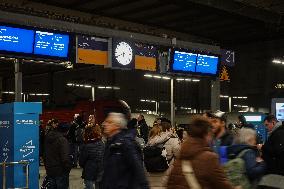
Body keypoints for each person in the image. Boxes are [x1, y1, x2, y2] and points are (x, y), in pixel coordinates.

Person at [167, 115, 234, 189]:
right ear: (206, 134)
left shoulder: (181, 156)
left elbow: (170, 184)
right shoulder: (209, 158)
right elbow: (223, 185)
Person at [101, 112, 149, 189]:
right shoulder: (110, 143)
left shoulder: (127, 144)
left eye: (109, 122)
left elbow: (139, 172)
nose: (104, 124)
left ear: (117, 126)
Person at [43, 122, 72, 189]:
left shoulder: (47, 137)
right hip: (60, 171)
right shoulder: (63, 140)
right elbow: (65, 158)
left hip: (50, 169)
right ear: (67, 131)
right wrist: (68, 168)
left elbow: (44, 154)